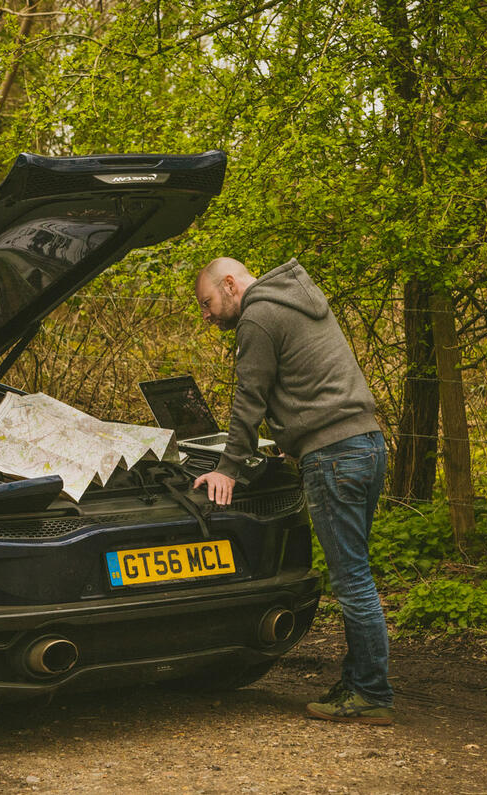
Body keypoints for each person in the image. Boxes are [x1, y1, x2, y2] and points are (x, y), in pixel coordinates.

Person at [192, 256, 394, 725]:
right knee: (356, 573)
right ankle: (360, 679)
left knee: (352, 580)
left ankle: (371, 693)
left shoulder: (259, 314)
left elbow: (249, 398)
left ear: (229, 284)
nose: (207, 315)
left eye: (207, 303)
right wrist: (290, 438)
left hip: (334, 457)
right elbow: (312, 380)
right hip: (365, 444)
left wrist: (228, 469)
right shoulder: (299, 299)